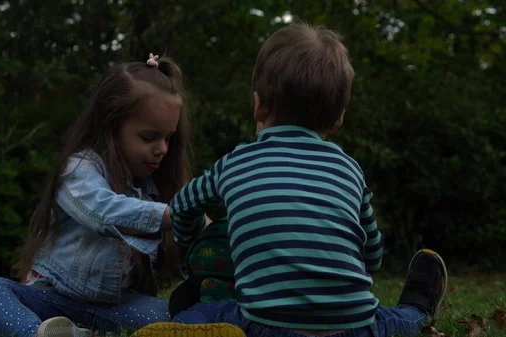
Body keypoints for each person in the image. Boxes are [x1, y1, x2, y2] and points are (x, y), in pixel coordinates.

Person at [132, 23, 448, 337]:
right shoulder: (349, 170)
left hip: (265, 327)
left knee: (217, 310)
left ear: (258, 105)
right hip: (354, 328)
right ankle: (418, 308)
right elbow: (373, 256)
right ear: (338, 119)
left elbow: (184, 204)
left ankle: (186, 326)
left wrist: (190, 249)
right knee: (394, 320)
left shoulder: (235, 163)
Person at [0, 53, 194, 337]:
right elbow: (102, 211)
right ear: (111, 128)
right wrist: (173, 214)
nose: (162, 149)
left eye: (167, 138)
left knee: (176, 313)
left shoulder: (151, 186)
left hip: (113, 306)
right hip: (51, 299)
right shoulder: (79, 168)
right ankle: (36, 333)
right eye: (148, 137)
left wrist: (207, 234)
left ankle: (83, 332)